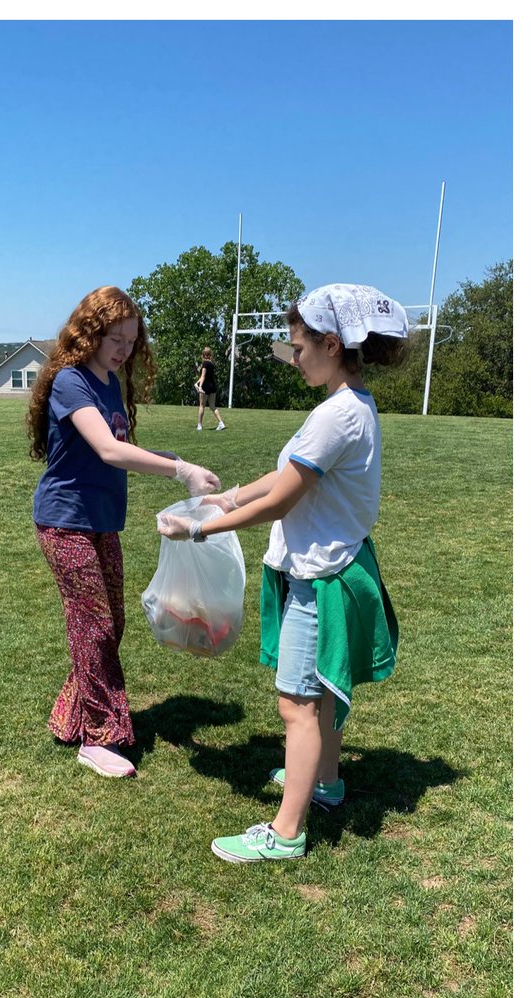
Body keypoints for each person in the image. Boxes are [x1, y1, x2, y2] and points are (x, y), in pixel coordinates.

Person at [159, 284, 407, 863]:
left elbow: (281, 503)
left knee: (296, 705)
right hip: (336, 569)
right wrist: (232, 497)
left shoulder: (336, 417)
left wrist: (196, 529)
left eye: (298, 348)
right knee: (318, 695)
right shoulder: (350, 406)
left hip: (320, 582)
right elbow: (285, 479)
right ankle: (324, 783)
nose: (293, 359)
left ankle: (287, 832)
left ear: (330, 342)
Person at [27, 286, 220, 779]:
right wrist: (179, 473)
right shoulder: (72, 382)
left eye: (131, 341)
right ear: (88, 333)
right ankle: (100, 737)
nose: (123, 349)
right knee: (94, 624)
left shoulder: (111, 382)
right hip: (64, 521)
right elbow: (109, 451)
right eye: (114, 338)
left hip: (103, 521)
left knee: (111, 622)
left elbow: (123, 446)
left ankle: (70, 716)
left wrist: (178, 461)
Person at [195, 348, 225, 431]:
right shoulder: (212, 364)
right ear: (210, 355)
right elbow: (204, 377)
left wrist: (200, 386)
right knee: (212, 406)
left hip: (205, 386)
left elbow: (203, 376)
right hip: (212, 386)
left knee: (202, 405)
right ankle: (221, 423)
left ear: (203, 355)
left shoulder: (205, 363)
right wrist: (196, 383)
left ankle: (199, 425)